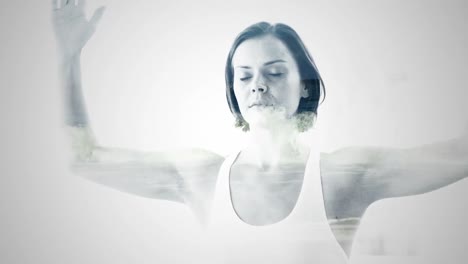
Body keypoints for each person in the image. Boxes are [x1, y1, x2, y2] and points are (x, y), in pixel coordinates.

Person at [52, 0, 468, 262]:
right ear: (233, 90)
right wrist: (68, 59)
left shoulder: (343, 175)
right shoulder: (199, 176)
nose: (258, 85)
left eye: (274, 71)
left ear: (304, 84)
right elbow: (85, 160)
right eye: (244, 75)